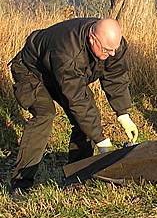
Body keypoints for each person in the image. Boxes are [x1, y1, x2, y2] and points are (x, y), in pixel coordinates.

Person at [8, 17, 139, 195]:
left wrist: (123, 114)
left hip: (61, 73)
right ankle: (20, 183)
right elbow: (77, 101)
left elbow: (115, 77)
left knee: (84, 121)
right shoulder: (67, 51)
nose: (112, 54)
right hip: (32, 72)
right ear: (92, 39)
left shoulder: (113, 45)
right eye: (107, 50)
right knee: (45, 115)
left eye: (115, 50)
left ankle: (76, 177)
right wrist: (100, 140)